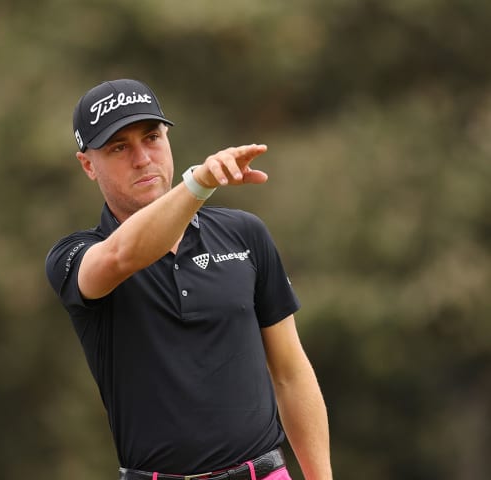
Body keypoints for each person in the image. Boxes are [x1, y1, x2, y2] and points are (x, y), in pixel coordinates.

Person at [45, 79, 332, 480]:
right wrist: (197, 185)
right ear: (88, 164)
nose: (143, 158)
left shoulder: (244, 234)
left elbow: (290, 372)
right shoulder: (74, 254)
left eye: (152, 137)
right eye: (119, 147)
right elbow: (121, 256)